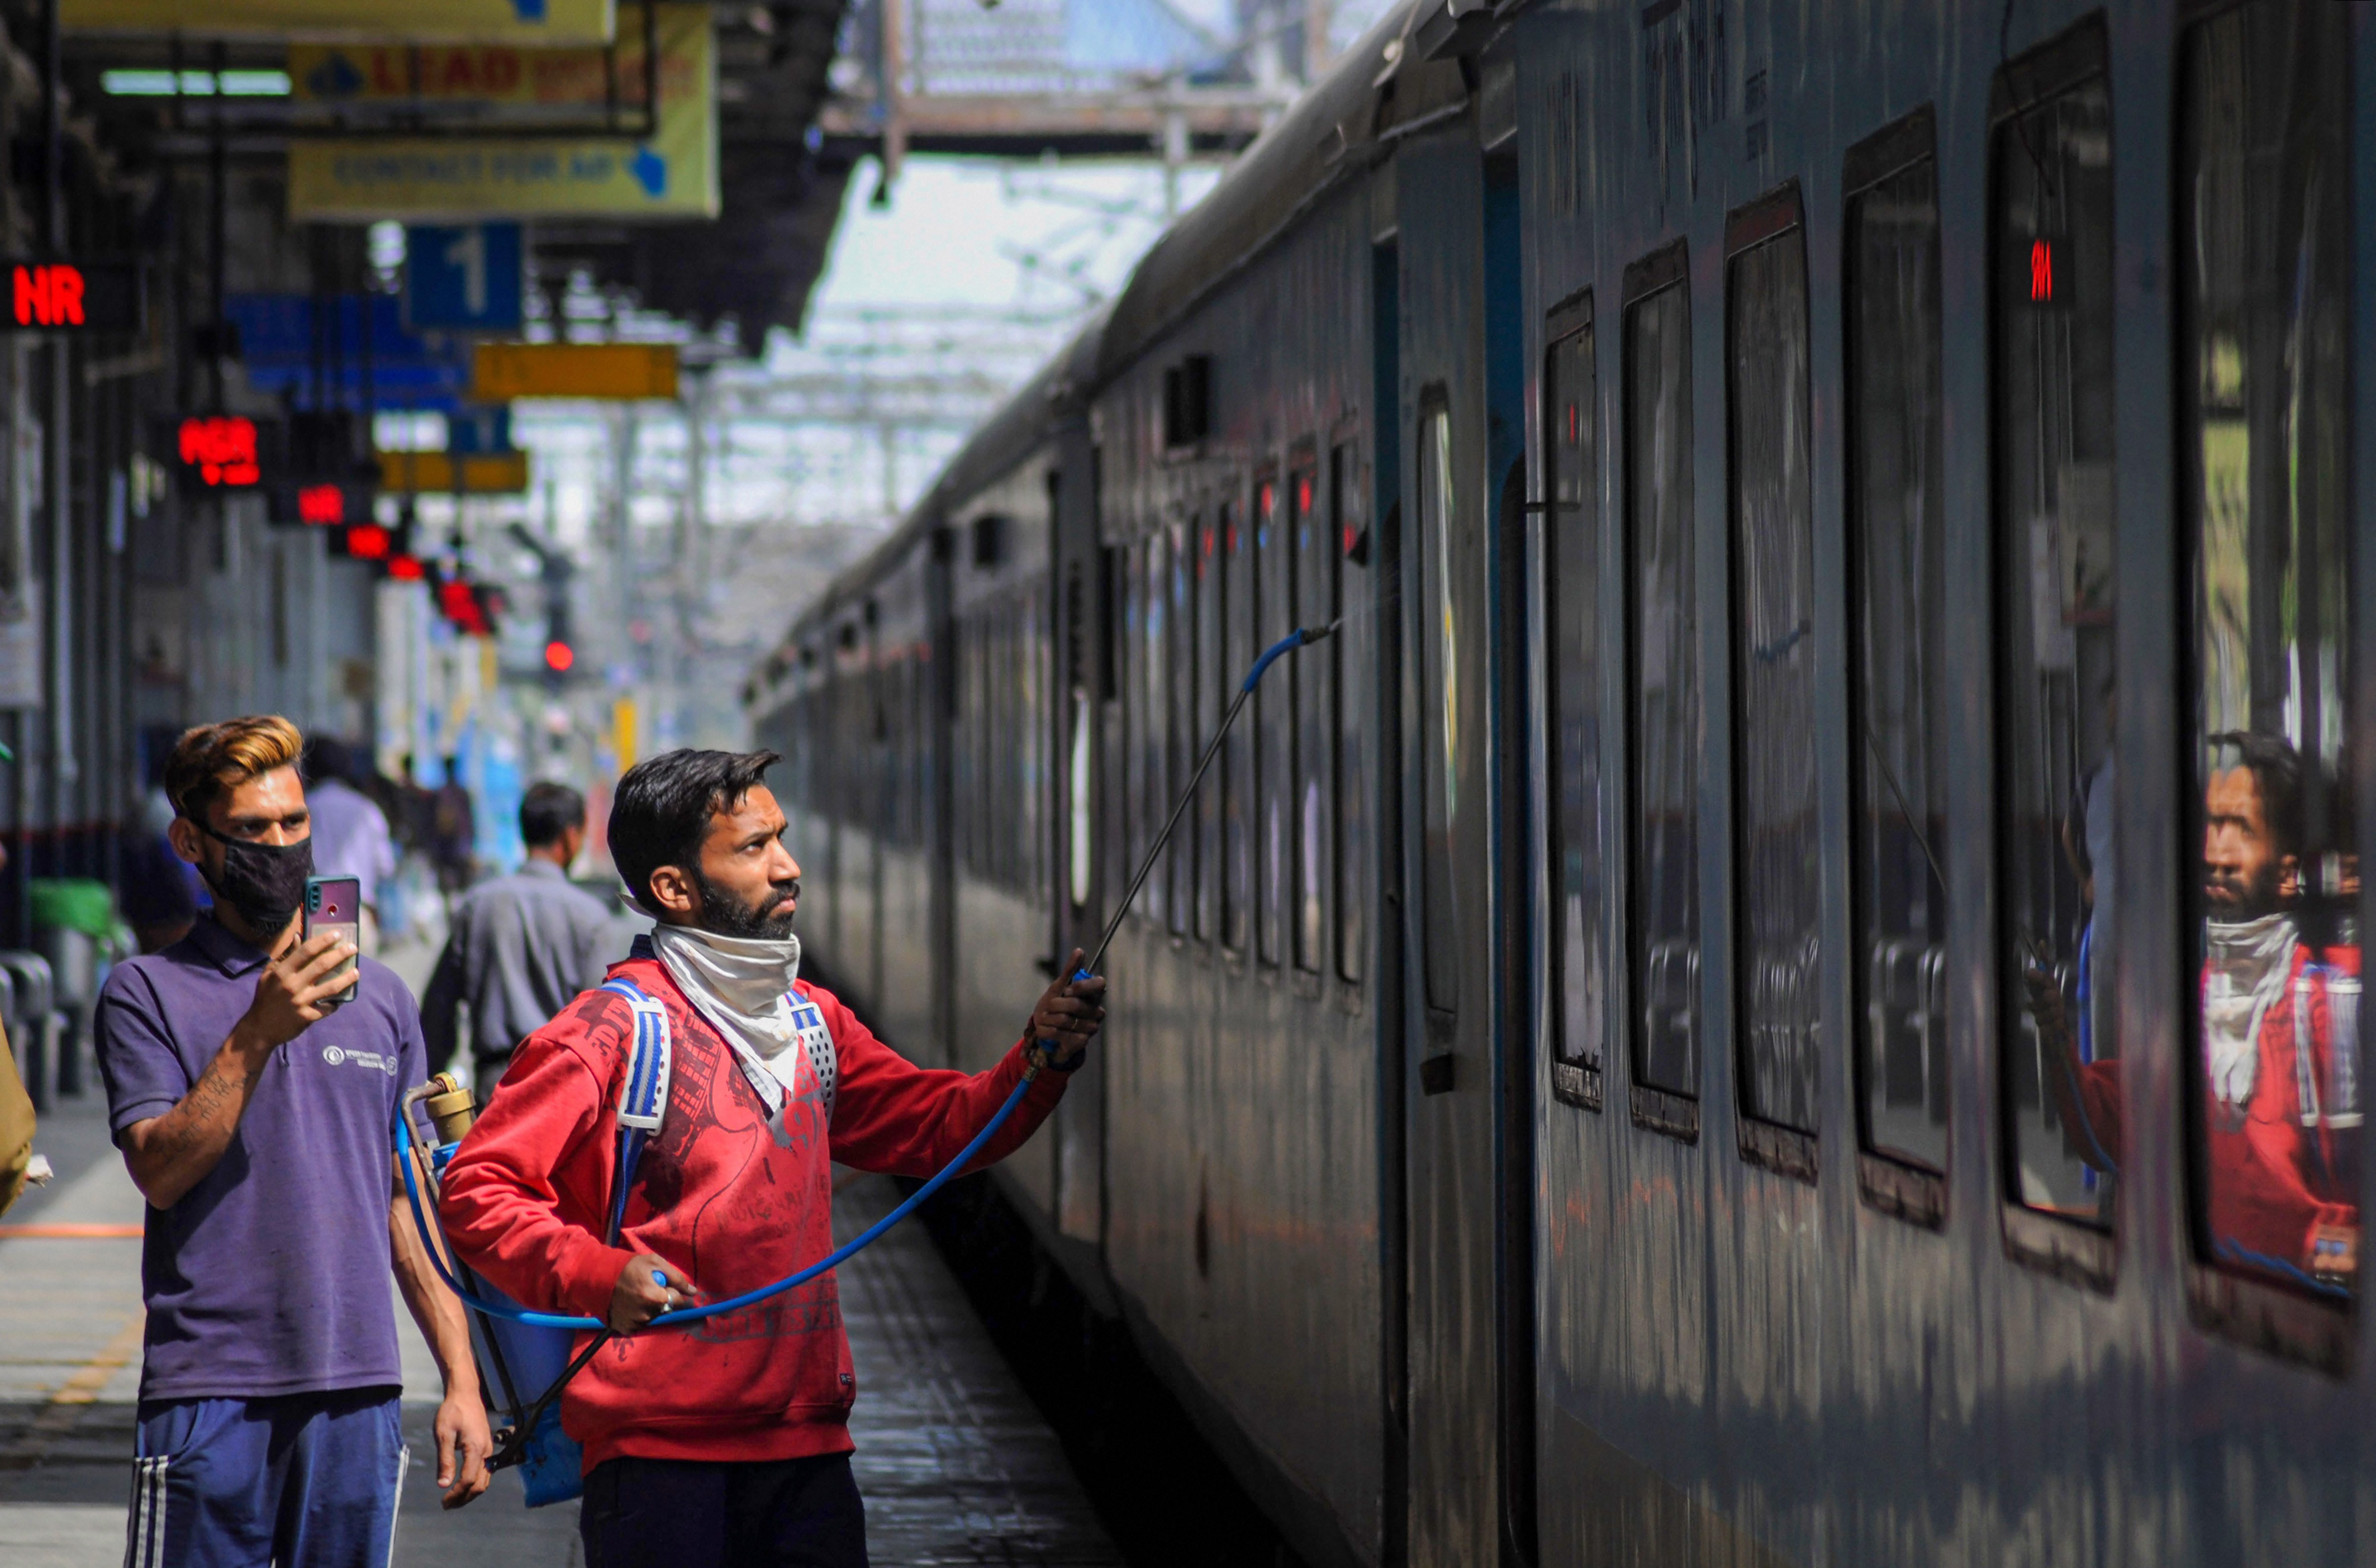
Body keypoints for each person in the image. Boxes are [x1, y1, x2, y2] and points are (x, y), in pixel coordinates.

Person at [438, 749, 1104, 1568]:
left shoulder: (811, 1023)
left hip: (809, 1459)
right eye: (752, 848)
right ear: (675, 887)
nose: (788, 866)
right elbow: (476, 1187)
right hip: (659, 1468)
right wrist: (596, 1274)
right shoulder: (609, 1031)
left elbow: (945, 1127)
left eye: (779, 839)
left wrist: (1038, 1059)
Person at [93, 716, 492, 1568]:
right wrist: (255, 1033)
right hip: (210, 1390)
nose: (281, 846)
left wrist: (461, 1376)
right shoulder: (145, 991)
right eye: (251, 830)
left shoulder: (381, 998)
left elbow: (403, 1199)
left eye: (294, 824)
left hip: (358, 1389)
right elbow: (160, 1170)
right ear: (189, 842)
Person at [2048, 731, 2356, 1282]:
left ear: (2288, 871)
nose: (2216, 852)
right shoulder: (2186, 1003)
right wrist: (2058, 1048)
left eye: (2240, 829)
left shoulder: (2328, 1005)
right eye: (2213, 825)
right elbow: (2113, 1126)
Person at [422, 781, 619, 1104]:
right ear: (571, 836)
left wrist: (432, 1085)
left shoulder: (478, 905)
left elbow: (439, 1010)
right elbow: (600, 1026)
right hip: (563, 1088)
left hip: (495, 1087)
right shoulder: (590, 917)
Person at [303, 737, 397, 955]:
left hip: (316, 913)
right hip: (360, 913)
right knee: (362, 987)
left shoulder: (306, 808)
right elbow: (386, 867)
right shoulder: (367, 810)